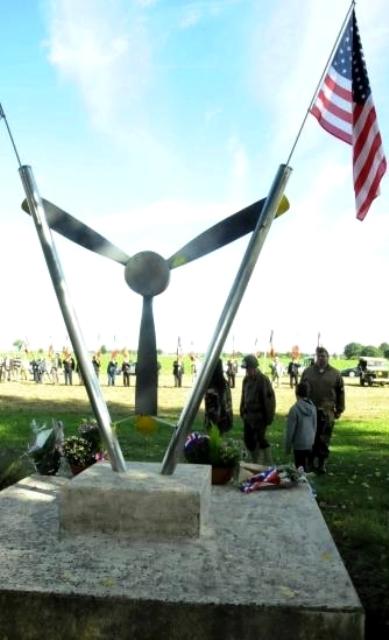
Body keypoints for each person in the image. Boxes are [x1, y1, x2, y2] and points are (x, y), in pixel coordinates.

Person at [301, 346, 345, 474]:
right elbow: (301, 389)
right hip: (309, 411)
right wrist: (301, 405)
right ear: (316, 357)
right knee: (309, 438)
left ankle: (322, 463)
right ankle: (309, 462)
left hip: (327, 412)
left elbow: (340, 392)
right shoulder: (308, 372)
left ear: (328, 357)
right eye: (319, 356)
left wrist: (339, 409)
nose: (321, 358)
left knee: (324, 438)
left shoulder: (335, 373)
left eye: (324, 356)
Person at [240, 354, 276, 464]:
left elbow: (269, 400)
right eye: (246, 369)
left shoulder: (263, 380)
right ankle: (254, 461)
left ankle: (268, 461)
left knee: (260, 439)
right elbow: (243, 397)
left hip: (259, 417)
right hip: (248, 416)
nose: (247, 371)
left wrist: (268, 417)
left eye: (249, 369)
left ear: (254, 367)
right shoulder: (246, 380)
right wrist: (242, 410)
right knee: (248, 440)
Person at [285, 381, 317, 471]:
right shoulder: (313, 408)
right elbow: (315, 426)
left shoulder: (294, 410)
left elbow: (290, 431)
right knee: (307, 469)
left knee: (299, 470)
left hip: (299, 445)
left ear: (296, 393)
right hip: (310, 443)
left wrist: (287, 447)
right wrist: (312, 441)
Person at [204, 359, 233, 434]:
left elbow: (211, 406)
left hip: (215, 420)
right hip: (224, 419)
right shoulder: (225, 383)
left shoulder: (211, 385)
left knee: (213, 443)